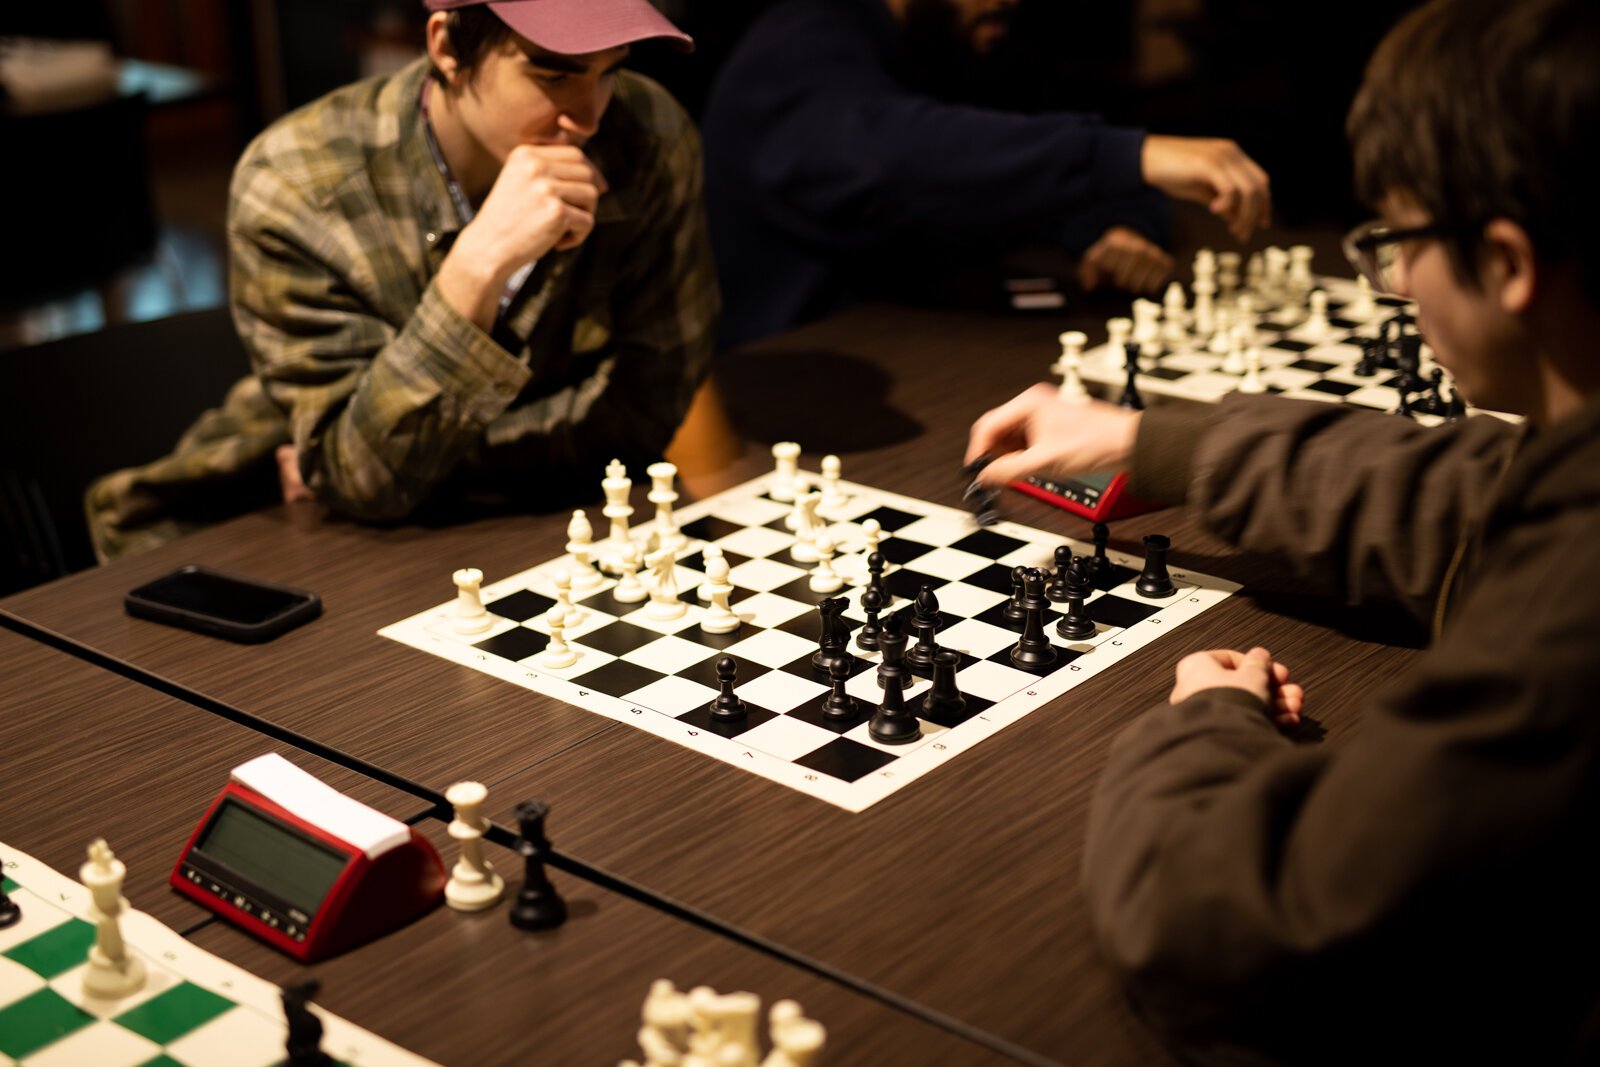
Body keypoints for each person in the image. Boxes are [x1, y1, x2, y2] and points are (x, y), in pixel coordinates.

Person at [966, 0, 1600, 1060]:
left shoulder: (1566, 612)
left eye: (1400, 240)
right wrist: (1152, 441)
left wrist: (1206, 723)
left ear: (1505, 263)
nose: (1392, 282)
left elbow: (1230, 921)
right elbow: (1459, 492)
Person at [85, 0, 719, 560]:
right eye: (552, 72)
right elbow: (363, 483)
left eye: (608, 70)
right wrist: (476, 266)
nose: (587, 116)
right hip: (299, 543)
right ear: (445, 46)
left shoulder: (649, 134)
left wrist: (398, 458)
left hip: (564, 532)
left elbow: (644, 412)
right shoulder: (298, 184)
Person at [700, 0, 1271, 348]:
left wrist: (1109, 223)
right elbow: (892, 158)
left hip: (935, 339)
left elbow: (1010, 158)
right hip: (798, 383)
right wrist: (1124, 155)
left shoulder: (960, 44)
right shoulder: (800, 39)